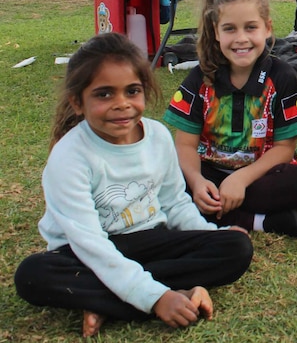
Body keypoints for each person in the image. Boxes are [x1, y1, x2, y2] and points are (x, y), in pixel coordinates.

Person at [14, 33, 253, 338]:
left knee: (235, 247)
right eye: (104, 94)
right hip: (82, 253)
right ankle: (162, 292)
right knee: (32, 275)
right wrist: (157, 299)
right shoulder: (69, 156)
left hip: (149, 241)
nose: (121, 104)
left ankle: (106, 301)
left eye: (132, 91)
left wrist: (208, 236)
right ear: (77, 102)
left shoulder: (157, 136)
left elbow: (175, 203)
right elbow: (91, 244)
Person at [163, 0, 297, 237]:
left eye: (251, 27)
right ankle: (259, 221)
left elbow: (284, 149)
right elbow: (185, 146)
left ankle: (207, 214)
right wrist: (197, 182)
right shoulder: (200, 78)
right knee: (165, 179)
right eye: (230, 29)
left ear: (267, 28)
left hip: (261, 174)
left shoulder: (283, 76)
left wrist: (241, 180)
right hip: (208, 172)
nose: (241, 38)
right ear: (216, 32)